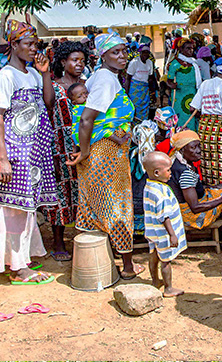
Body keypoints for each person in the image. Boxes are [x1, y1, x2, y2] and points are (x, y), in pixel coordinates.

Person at [67, 31, 144, 280]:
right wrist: (86, 151)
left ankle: (92, 263)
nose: (122, 56)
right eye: (115, 52)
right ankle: (128, 266)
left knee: (92, 204)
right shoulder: (104, 79)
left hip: (106, 151)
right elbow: (87, 119)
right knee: (117, 206)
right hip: (104, 154)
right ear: (102, 56)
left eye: (123, 50)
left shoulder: (107, 77)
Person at [0, 20, 56, 285]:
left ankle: (20, 258)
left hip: (32, 153)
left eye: (36, 44)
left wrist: (44, 73)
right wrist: (2, 159)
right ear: (13, 45)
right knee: (14, 208)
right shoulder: (5, 76)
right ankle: (18, 268)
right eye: (29, 44)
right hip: (15, 152)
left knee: (26, 207)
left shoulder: (32, 74)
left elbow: (48, 102)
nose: (35, 49)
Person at [42, 41, 89, 261]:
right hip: (59, 148)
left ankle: (85, 238)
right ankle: (58, 242)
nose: (79, 64)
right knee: (61, 193)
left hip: (84, 147)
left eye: (82, 60)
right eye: (74, 60)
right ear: (63, 62)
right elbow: (49, 104)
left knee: (84, 191)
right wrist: (45, 75)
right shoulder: (55, 85)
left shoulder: (86, 86)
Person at [166, 130, 222, 249]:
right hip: (192, 216)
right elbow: (195, 208)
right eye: (193, 147)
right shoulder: (185, 173)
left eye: (199, 146)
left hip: (193, 203)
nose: (198, 150)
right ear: (182, 149)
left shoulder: (179, 162)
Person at [143, 151, 187, 297]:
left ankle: (155, 281)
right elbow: (164, 216)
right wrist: (172, 235)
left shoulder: (149, 186)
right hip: (163, 233)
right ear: (157, 172)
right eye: (168, 170)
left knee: (154, 255)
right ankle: (168, 288)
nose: (170, 173)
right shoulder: (160, 192)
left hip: (152, 231)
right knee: (166, 260)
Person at [190, 56, 222, 186]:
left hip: (204, 129)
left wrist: (206, 117)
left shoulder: (205, 84)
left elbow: (192, 108)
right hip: (221, 130)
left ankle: (210, 192)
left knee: (207, 163)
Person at [167, 38, 202, 128]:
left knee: (193, 114)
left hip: (193, 93)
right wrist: (172, 85)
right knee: (181, 115)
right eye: (188, 48)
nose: (191, 51)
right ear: (181, 50)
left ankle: (192, 134)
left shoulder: (193, 62)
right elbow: (168, 81)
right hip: (179, 95)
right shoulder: (175, 64)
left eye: (192, 48)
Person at [126, 43, 155, 123]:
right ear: (140, 53)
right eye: (144, 52)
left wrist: (152, 92)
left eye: (147, 52)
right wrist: (126, 93)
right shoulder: (134, 62)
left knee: (145, 107)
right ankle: (135, 126)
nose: (146, 54)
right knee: (135, 107)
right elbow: (128, 78)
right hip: (135, 89)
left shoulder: (150, 63)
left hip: (145, 89)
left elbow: (151, 78)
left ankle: (143, 125)